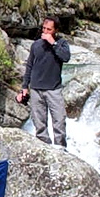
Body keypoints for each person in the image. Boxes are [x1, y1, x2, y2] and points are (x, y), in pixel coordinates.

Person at [18, 16, 71, 148]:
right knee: (39, 124)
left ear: (56, 30)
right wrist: (24, 87)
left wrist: (53, 43)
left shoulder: (62, 43)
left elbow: (66, 57)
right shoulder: (36, 44)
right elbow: (29, 65)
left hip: (54, 89)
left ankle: (61, 149)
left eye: (49, 29)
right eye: (44, 28)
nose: (45, 31)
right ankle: (45, 149)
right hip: (36, 89)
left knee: (59, 122)